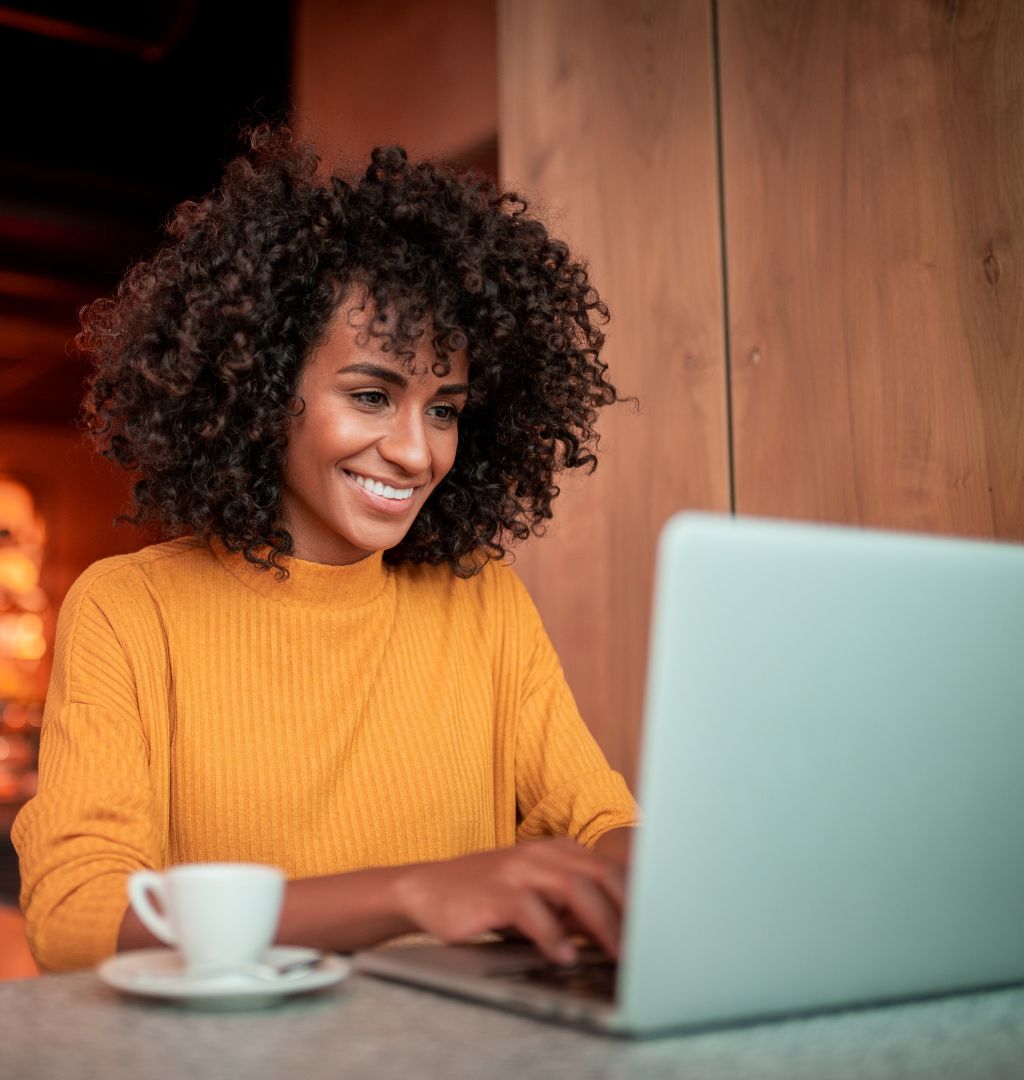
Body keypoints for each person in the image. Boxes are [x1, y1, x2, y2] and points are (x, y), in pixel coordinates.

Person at [13, 126, 637, 973]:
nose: (418, 453)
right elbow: (77, 917)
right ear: (264, 388)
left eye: (444, 409)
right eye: (372, 395)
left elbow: (604, 828)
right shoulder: (132, 610)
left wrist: (648, 874)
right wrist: (411, 894)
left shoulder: (481, 601)